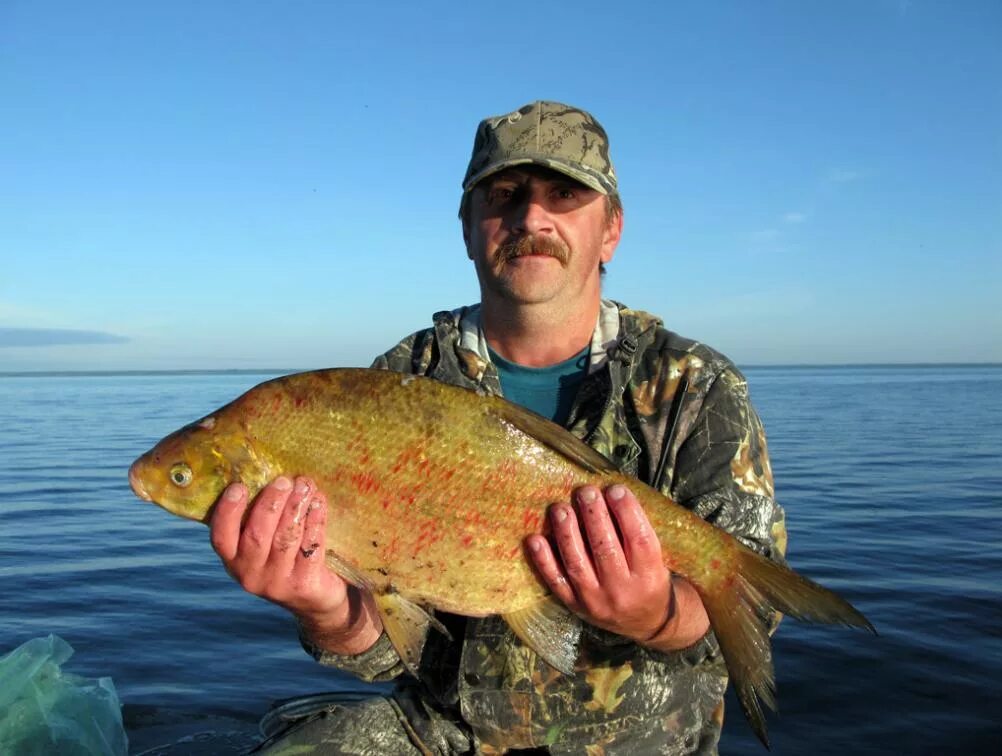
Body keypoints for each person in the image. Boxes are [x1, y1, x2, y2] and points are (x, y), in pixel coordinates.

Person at [209, 100, 787, 755]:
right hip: (446, 734)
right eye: (504, 195)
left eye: (564, 194)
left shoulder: (694, 385)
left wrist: (655, 614)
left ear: (612, 230)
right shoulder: (399, 382)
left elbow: (747, 613)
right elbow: (388, 647)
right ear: (467, 228)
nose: (531, 217)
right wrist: (322, 607)